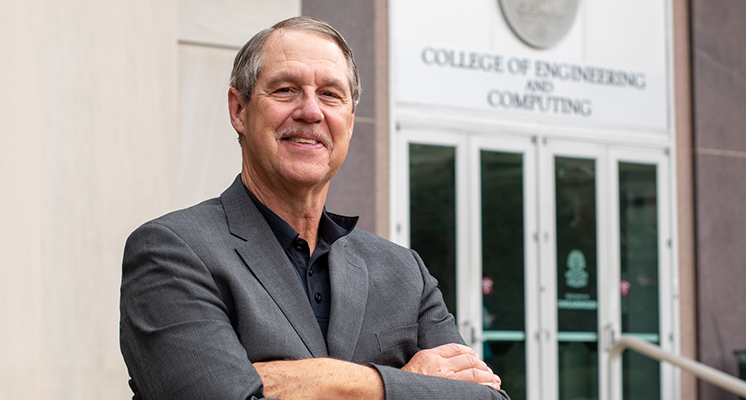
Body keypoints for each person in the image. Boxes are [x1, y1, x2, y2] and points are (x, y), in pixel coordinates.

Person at [119, 16, 508, 400]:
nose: (310, 111)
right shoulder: (171, 252)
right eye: (286, 90)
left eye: (330, 94)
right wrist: (403, 383)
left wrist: (336, 383)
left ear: (350, 123)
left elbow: (489, 398)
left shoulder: (405, 273)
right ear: (239, 110)